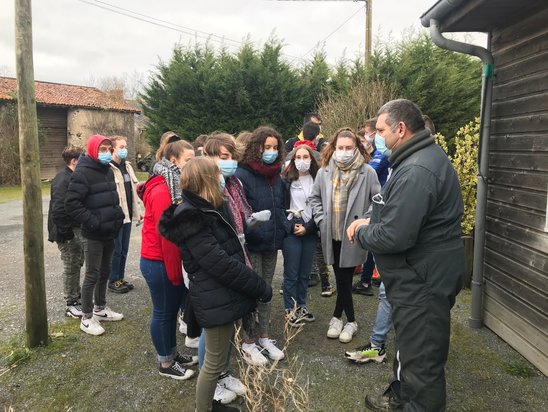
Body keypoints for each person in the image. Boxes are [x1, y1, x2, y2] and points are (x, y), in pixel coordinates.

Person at [347, 99, 465, 411]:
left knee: (422, 361)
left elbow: (395, 236)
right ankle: (402, 397)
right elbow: (407, 216)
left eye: (382, 131)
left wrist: (361, 232)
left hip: (422, 280)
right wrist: (373, 219)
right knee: (413, 348)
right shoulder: (418, 159)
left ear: (401, 129)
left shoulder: (417, 170)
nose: (377, 138)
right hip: (420, 275)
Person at [158, 157, 272, 412]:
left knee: (217, 357)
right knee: (213, 362)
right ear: (206, 180)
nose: (222, 177)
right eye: (216, 173)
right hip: (215, 297)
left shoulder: (206, 208)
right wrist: (259, 286)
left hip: (221, 295)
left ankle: (208, 404)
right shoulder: (192, 216)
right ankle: (204, 408)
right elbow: (220, 263)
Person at [200, 132, 262, 403]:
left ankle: (223, 372)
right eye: (223, 157)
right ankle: (210, 381)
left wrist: (250, 223)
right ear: (209, 158)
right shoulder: (204, 189)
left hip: (237, 254)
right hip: (214, 266)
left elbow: (238, 220)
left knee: (228, 321)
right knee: (212, 326)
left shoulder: (233, 183)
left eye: (232, 157)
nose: (229, 162)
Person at [309, 128, 380, 343]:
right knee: (342, 279)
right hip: (332, 234)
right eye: (340, 148)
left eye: (349, 148)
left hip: (353, 236)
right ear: (333, 148)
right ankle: (341, 318)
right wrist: (321, 221)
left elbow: (377, 202)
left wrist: (363, 223)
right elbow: (315, 199)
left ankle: (347, 320)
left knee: (345, 279)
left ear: (357, 148)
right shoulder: (324, 171)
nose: (344, 152)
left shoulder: (367, 172)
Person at [139, 139, 197, 381]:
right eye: (188, 160)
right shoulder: (164, 189)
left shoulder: (174, 183)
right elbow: (168, 237)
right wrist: (176, 274)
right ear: (174, 161)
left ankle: (172, 353)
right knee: (163, 312)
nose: (192, 165)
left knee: (171, 311)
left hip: (164, 260)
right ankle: (165, 361)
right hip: (159, 261)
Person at [235, 126, 287, 362]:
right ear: (256, 148)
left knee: (267, 291)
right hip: (252, 243)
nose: (272, 152)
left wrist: (284, 226)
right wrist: (252, 224)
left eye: (275, 147)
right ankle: (248, 340)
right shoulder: (242, 174)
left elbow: (282, 206)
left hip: (272, 242)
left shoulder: (277, 175)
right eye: (267, 147)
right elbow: (238, 211)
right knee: (251, 292)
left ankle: (265, 335)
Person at [65, 135, 125, 336]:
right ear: (92, 150)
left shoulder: (107, 170)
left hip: (109, 231)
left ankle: (100, 308)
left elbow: (111, 198)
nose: (106, 152)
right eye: (102, 149)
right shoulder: (82, 172)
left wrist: (118, 216)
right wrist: (94, 221)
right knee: (92, 273)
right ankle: (86, 316)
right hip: (93, 234)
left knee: (105, 271)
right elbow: (72, 204)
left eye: (109, 148)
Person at [281, 143, 319, 326]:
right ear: (293, 160)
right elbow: (280, 208)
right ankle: (290, 308)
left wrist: (309, 227)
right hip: (292, 229)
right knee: (292, 273)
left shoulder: (317, 179)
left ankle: (301, 305)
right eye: (298, 157)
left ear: (311, 159)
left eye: (305, 157)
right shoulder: (286, 180)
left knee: (305, 273)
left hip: (310, 229)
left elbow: (321, 207)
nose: (302, 161)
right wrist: (290, 226)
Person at [354, 119, 391, 297]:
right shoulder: (378, 152)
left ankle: (367, 280)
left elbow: (370, 171)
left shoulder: (382, 154)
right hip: (379, 202)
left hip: (381, 203)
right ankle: (368, 279)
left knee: (373, 245)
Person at [47, 145, 85, 318]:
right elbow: (59, 210)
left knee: (76, 263)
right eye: (82, 159)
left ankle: (76, 296)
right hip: (66, 232)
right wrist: (66, 233)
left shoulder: (73, 177)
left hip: (75, 229)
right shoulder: (63, 179)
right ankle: (71, 302)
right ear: (74, 161)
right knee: (70, 265)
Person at [108, 136, 144, 294]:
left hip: (128, 215)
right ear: (113, 149)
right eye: (121, 147)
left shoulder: (127, 166)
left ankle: (120, 277)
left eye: (125, 146)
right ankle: (112, 280)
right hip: (116, 216)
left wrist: (139, 210)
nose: (125, 150)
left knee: (124, 249)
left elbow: (133, 191)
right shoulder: (108, 169)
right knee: (116, 249)